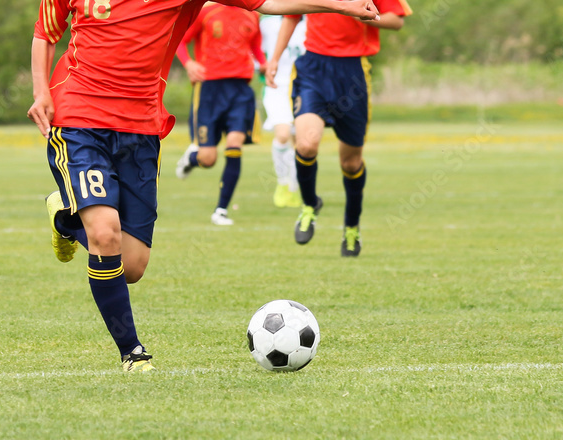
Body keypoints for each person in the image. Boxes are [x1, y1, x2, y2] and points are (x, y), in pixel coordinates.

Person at [27, 0, 380, 372]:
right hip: (78, 119)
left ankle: (67, 219)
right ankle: (132, 352)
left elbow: (267, 3)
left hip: (141, 128)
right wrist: (41, 91)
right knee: (104, 235)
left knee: (130, 267)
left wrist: (340, 5)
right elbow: (45, 32)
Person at [265, 0, 411, 257]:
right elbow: (291, 15)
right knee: (306, 144)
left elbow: (397, 20)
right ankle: (310, 205)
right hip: (314, 69)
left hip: (353, 73)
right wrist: (274, 58)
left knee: (351, 163)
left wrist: (366, 17)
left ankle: (351, 227)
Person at [174, 3, 268, 226]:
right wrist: (189, 65)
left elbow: (255, 45)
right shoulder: (206, 10)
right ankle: (192, 158)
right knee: (208, 159)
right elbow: (180, 40)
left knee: (235, 144)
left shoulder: (253, 14)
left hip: (240, 91)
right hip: (210, 90)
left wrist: (264, 63)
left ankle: (221, 210)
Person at [260, 14, 308, 208]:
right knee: (282, 134)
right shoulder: (267, 24)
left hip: (305, 87)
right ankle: (282, 183)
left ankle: (294, 188)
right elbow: (257, 49)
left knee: (303, 143)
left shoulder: (312, 22)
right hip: (276, 87)